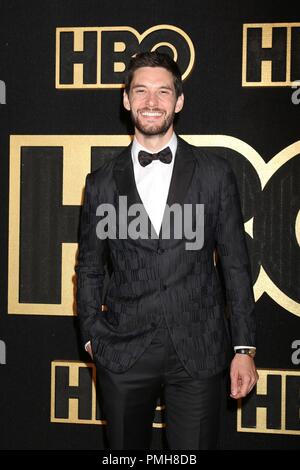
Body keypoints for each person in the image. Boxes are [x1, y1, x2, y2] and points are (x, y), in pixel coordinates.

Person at [75, 51, 258, 450]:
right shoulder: (102, 182)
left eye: (163, 91)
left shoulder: (214, 173)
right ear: (126, 100)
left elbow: (236, 266)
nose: (151, 102)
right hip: (123, 352)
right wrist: (92, 336)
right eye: (141, 91)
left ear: (179, 101)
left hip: (199, 350)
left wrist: (243, 348)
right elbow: (89, 267)